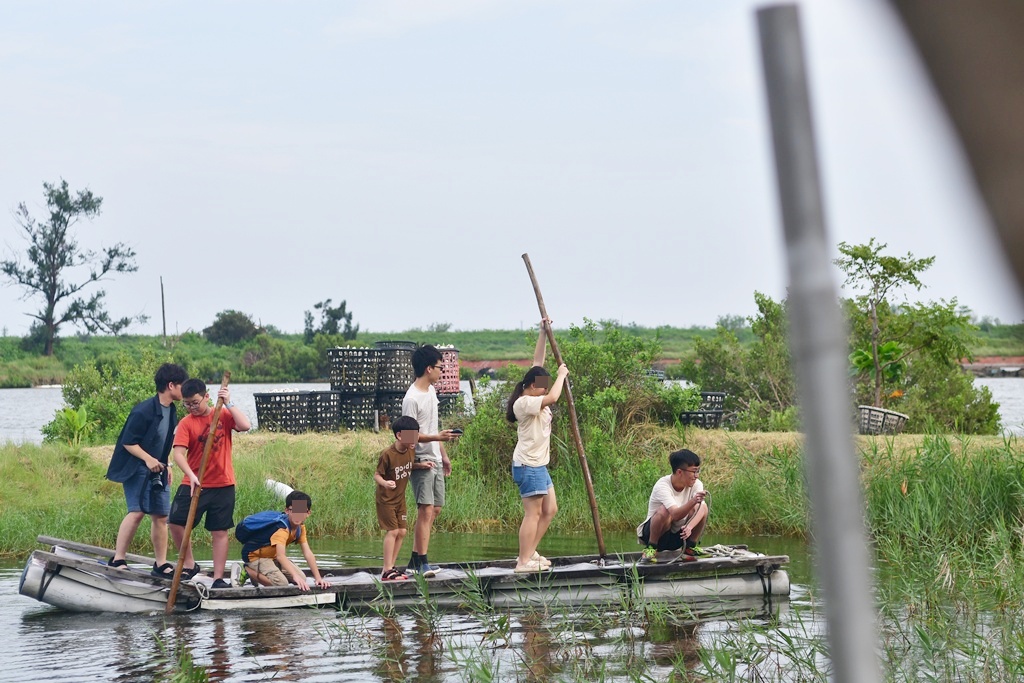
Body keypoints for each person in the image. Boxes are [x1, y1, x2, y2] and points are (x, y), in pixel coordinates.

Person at [105, 363, 189, 577]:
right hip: (136, 467)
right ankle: (118, 559)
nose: (184, 390)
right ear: (171, 385)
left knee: (161, 515)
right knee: (137, 512)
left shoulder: (171, 410)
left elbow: (164, 440)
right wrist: (149, 459)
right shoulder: (143, 410)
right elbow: (128, 442)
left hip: (158, 467)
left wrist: (167, 463)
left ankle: (160, 564)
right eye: (182, 385)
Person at [169, 378, 251, 588]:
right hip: (193, 482)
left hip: (223, 484)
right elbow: (178, 453)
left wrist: (229, 402)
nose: (192, 407)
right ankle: (189, 563)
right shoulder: (186, 423)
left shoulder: (222, 413)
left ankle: (217, 578)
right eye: (187, 404)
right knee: (176, 522)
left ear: (206, 396)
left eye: (195, 402)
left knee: (220, 531)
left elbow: (245, 425)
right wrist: (192, 475)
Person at [506, 319, 569, 573]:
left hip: (538, 465)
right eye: (540, 385)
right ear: (532, 387)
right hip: (527, 464)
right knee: (532, 513)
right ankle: (523, 561)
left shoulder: (532, 393)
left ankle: (530, 552)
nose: (543, 388)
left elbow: (537, 363)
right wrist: (562, 375)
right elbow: (553, 396)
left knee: (550, 509)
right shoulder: (524, 403)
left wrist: (543, 332)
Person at [402, 344, 458, 576]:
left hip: (434, 456)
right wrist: (436, 437)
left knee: (435, 509)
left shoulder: (432, 392)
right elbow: (406, 436)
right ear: (428, 369)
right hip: (421, 458)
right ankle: (422, 561)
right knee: (425, 510)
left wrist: (443, 454)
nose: (441, 372)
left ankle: (416, 559)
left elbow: (433, 426)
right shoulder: (411, 398)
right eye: (439, 368)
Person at [374, 415, 430, 581]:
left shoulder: (410, 449)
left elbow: (408, 465)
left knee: (403, 531)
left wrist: (421, 465)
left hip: (400, 499)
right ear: (399, 435)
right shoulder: (387, 454)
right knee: (393, 531)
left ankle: (391, 566)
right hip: (386, 500)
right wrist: (385, 483)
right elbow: (377, 475)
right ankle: (386, 569)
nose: (415, 439)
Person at [238, 490, 330, 591]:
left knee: (302, 578)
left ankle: (259, 575)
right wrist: (294, 575)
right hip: (255, 556)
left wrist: (318, 578)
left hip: (271, 557)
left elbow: (308, 553)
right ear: (287, 511)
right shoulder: (282, 529)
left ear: (308, 513)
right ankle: (246, 570)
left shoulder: (300, 528)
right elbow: (280, 556)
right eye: (294, 510)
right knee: (282, 584)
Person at [637, 448, 709, 564]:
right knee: (665, 510)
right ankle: (651, 548)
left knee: (702, 507)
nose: (696, 476)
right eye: (693, 471)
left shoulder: (696, 484)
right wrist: (693, 500)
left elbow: (701, 509)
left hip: (679, 536)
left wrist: (690, 527)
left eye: (698, 471)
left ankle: (689, 548)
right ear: (680, 472)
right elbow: (675, 515)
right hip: (658, 535)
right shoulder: (662, 485)